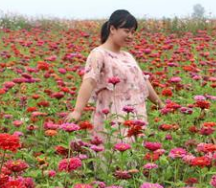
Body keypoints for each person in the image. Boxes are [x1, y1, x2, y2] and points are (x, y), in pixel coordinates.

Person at [68, 9, 163, 141]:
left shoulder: (127, 56)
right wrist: (77, 111)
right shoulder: (99, 54)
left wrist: (161, 105)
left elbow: (143, 82)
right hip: (111, 117)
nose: (130, 36)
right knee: (112, 155)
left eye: (133, 32)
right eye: (126, 31)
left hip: (134, 116)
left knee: (133, 155)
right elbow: (89, 81)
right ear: (112, 29)